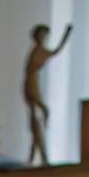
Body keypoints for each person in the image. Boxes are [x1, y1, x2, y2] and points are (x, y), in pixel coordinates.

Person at [24, 22, 72, 166]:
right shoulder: (36, 51)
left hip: (33, 84)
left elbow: (55, 51)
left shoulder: (39, 51)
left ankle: (34, 157)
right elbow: (53, 52)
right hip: (31, 85)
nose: (44, 37)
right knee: (39, 118)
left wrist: (66, 34)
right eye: (42, 35)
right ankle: (39, 157)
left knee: (36, 124)